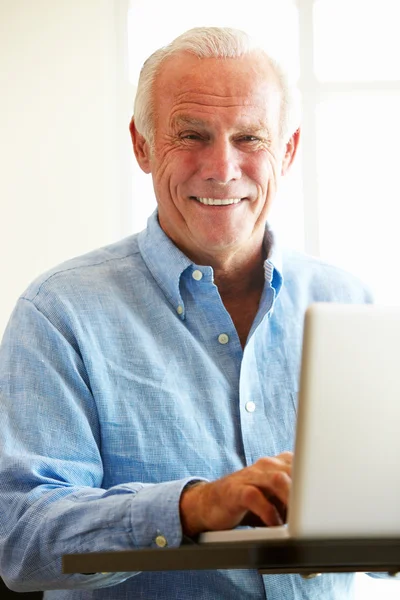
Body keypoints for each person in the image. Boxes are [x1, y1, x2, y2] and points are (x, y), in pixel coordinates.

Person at [0, 27, 374, 600]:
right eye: (192, 135)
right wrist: (194, 508)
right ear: (142, 146)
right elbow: (21, 541)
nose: (222, 168)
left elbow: (374, 531)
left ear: (289, 149)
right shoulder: (59, 314)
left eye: (250, 137)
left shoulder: (349, 302)